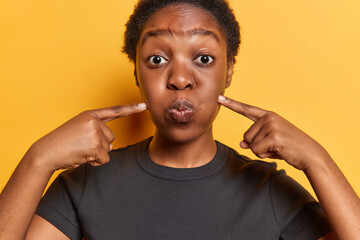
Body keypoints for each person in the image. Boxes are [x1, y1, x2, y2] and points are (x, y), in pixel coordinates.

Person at [0, 0, 359, 239]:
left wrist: (318, 161)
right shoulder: (85, 186)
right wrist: (38, 159)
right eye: (157, 59)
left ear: (229, 70)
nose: (180, 79)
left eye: (203, 58)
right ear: (137, 73)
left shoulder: (268, 190)